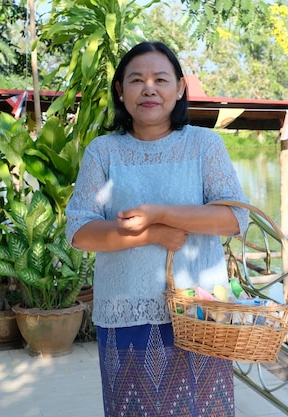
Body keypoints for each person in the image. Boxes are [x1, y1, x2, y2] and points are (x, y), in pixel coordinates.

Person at [65, 41, 249, 417]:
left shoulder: (204, 146)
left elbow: (234, 219)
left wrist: (158, 213)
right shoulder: (103, 152)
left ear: (180, 88)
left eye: (160, 79)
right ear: (121, 90)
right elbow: (80, 231)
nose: (149, 88)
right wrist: (150, 234)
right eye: (136, 80)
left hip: (199, 315)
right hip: (125, 316)